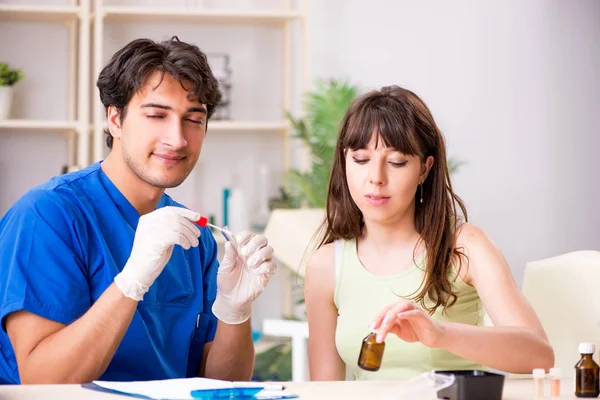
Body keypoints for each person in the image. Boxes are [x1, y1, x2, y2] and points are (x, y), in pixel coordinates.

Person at [0, 37, 276, 384]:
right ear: (115, 119)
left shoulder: (194, 237)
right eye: (157, 115)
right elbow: (43, 381)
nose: (177, 139)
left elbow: (221, 385)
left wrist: (236, 312)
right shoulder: (47, 216)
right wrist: (132, 281)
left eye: (193, 119)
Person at [304, 85, 554, 380]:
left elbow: (540, 355)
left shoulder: (465, 248)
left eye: (396, 162)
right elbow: (326, 391)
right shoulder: (325, 266)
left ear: (425, 169)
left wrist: (440, 334)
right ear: (344, 161)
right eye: (360, 160)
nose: (375, 178)